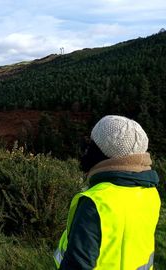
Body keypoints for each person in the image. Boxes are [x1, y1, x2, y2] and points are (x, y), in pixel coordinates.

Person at [54, 115, 161, 269]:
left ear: (102, 152)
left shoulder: (95, 202)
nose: (86, 148)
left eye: (92, 144)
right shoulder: (150, 193)